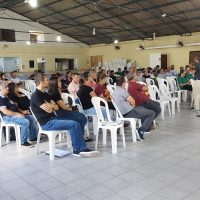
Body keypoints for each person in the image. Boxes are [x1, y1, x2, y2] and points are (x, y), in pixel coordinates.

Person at [30, 73, 98, 157]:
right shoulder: (36, 95)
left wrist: (51, 105)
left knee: (76, 121)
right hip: (46, 123)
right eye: (46, 80)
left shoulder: (45, 94)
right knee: (73, 124)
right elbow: (50, 109)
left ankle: (81, 148)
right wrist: (52, 106)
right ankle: (78, 149)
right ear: (42, 82)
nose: (48, 81)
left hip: (53, 118)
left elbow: (56, 107)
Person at [112, 76, 156, 140]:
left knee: (142, 107)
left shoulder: (114, 91)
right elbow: (133, 102)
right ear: (123, 83)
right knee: (152, 113)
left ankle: (144, 126)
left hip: (122, 112)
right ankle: (141, 130)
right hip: (129, 112)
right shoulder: (122, 91)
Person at [0, 82, 37, 146]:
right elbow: (5, 111)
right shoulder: (0, 98)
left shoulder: (6, 97)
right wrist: (17, 114)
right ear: (1, 89)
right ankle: (23, 142)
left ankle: (32, 137)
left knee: (31, 118)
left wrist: (22, 112)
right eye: (6, 87)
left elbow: (15, 106)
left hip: (14, 115)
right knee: (25, 121)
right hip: (7, 117)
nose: (8, 88)